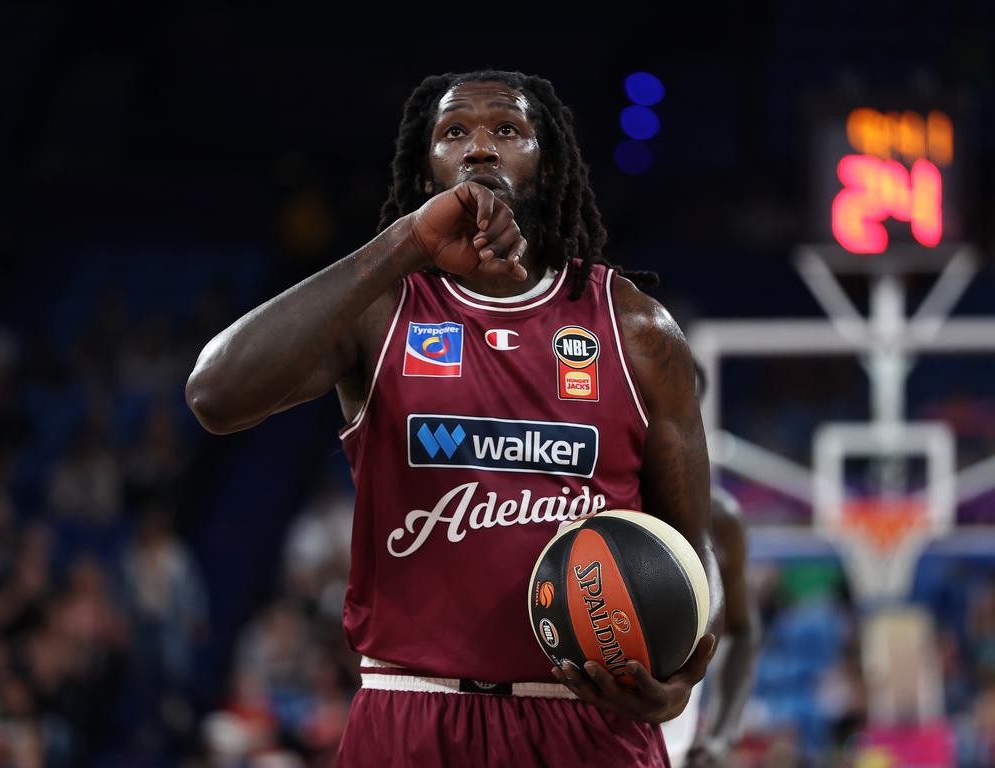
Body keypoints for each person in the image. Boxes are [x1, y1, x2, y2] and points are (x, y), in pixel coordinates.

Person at [186, 69, 722, 768]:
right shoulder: (381, 311)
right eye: (453, 133)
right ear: (427, 165)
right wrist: (403, 243)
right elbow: (214, 395)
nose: (478, 148)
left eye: (506, 129)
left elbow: (690, 548)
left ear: (548, 160)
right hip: (411, 712)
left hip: (586, 721)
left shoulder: (636, 328)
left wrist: (681, 671)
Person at [661, 486, 761, 767]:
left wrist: (721, 735)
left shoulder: (718, 517)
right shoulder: (592, 507)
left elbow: (742, 629)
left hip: (672, 750)